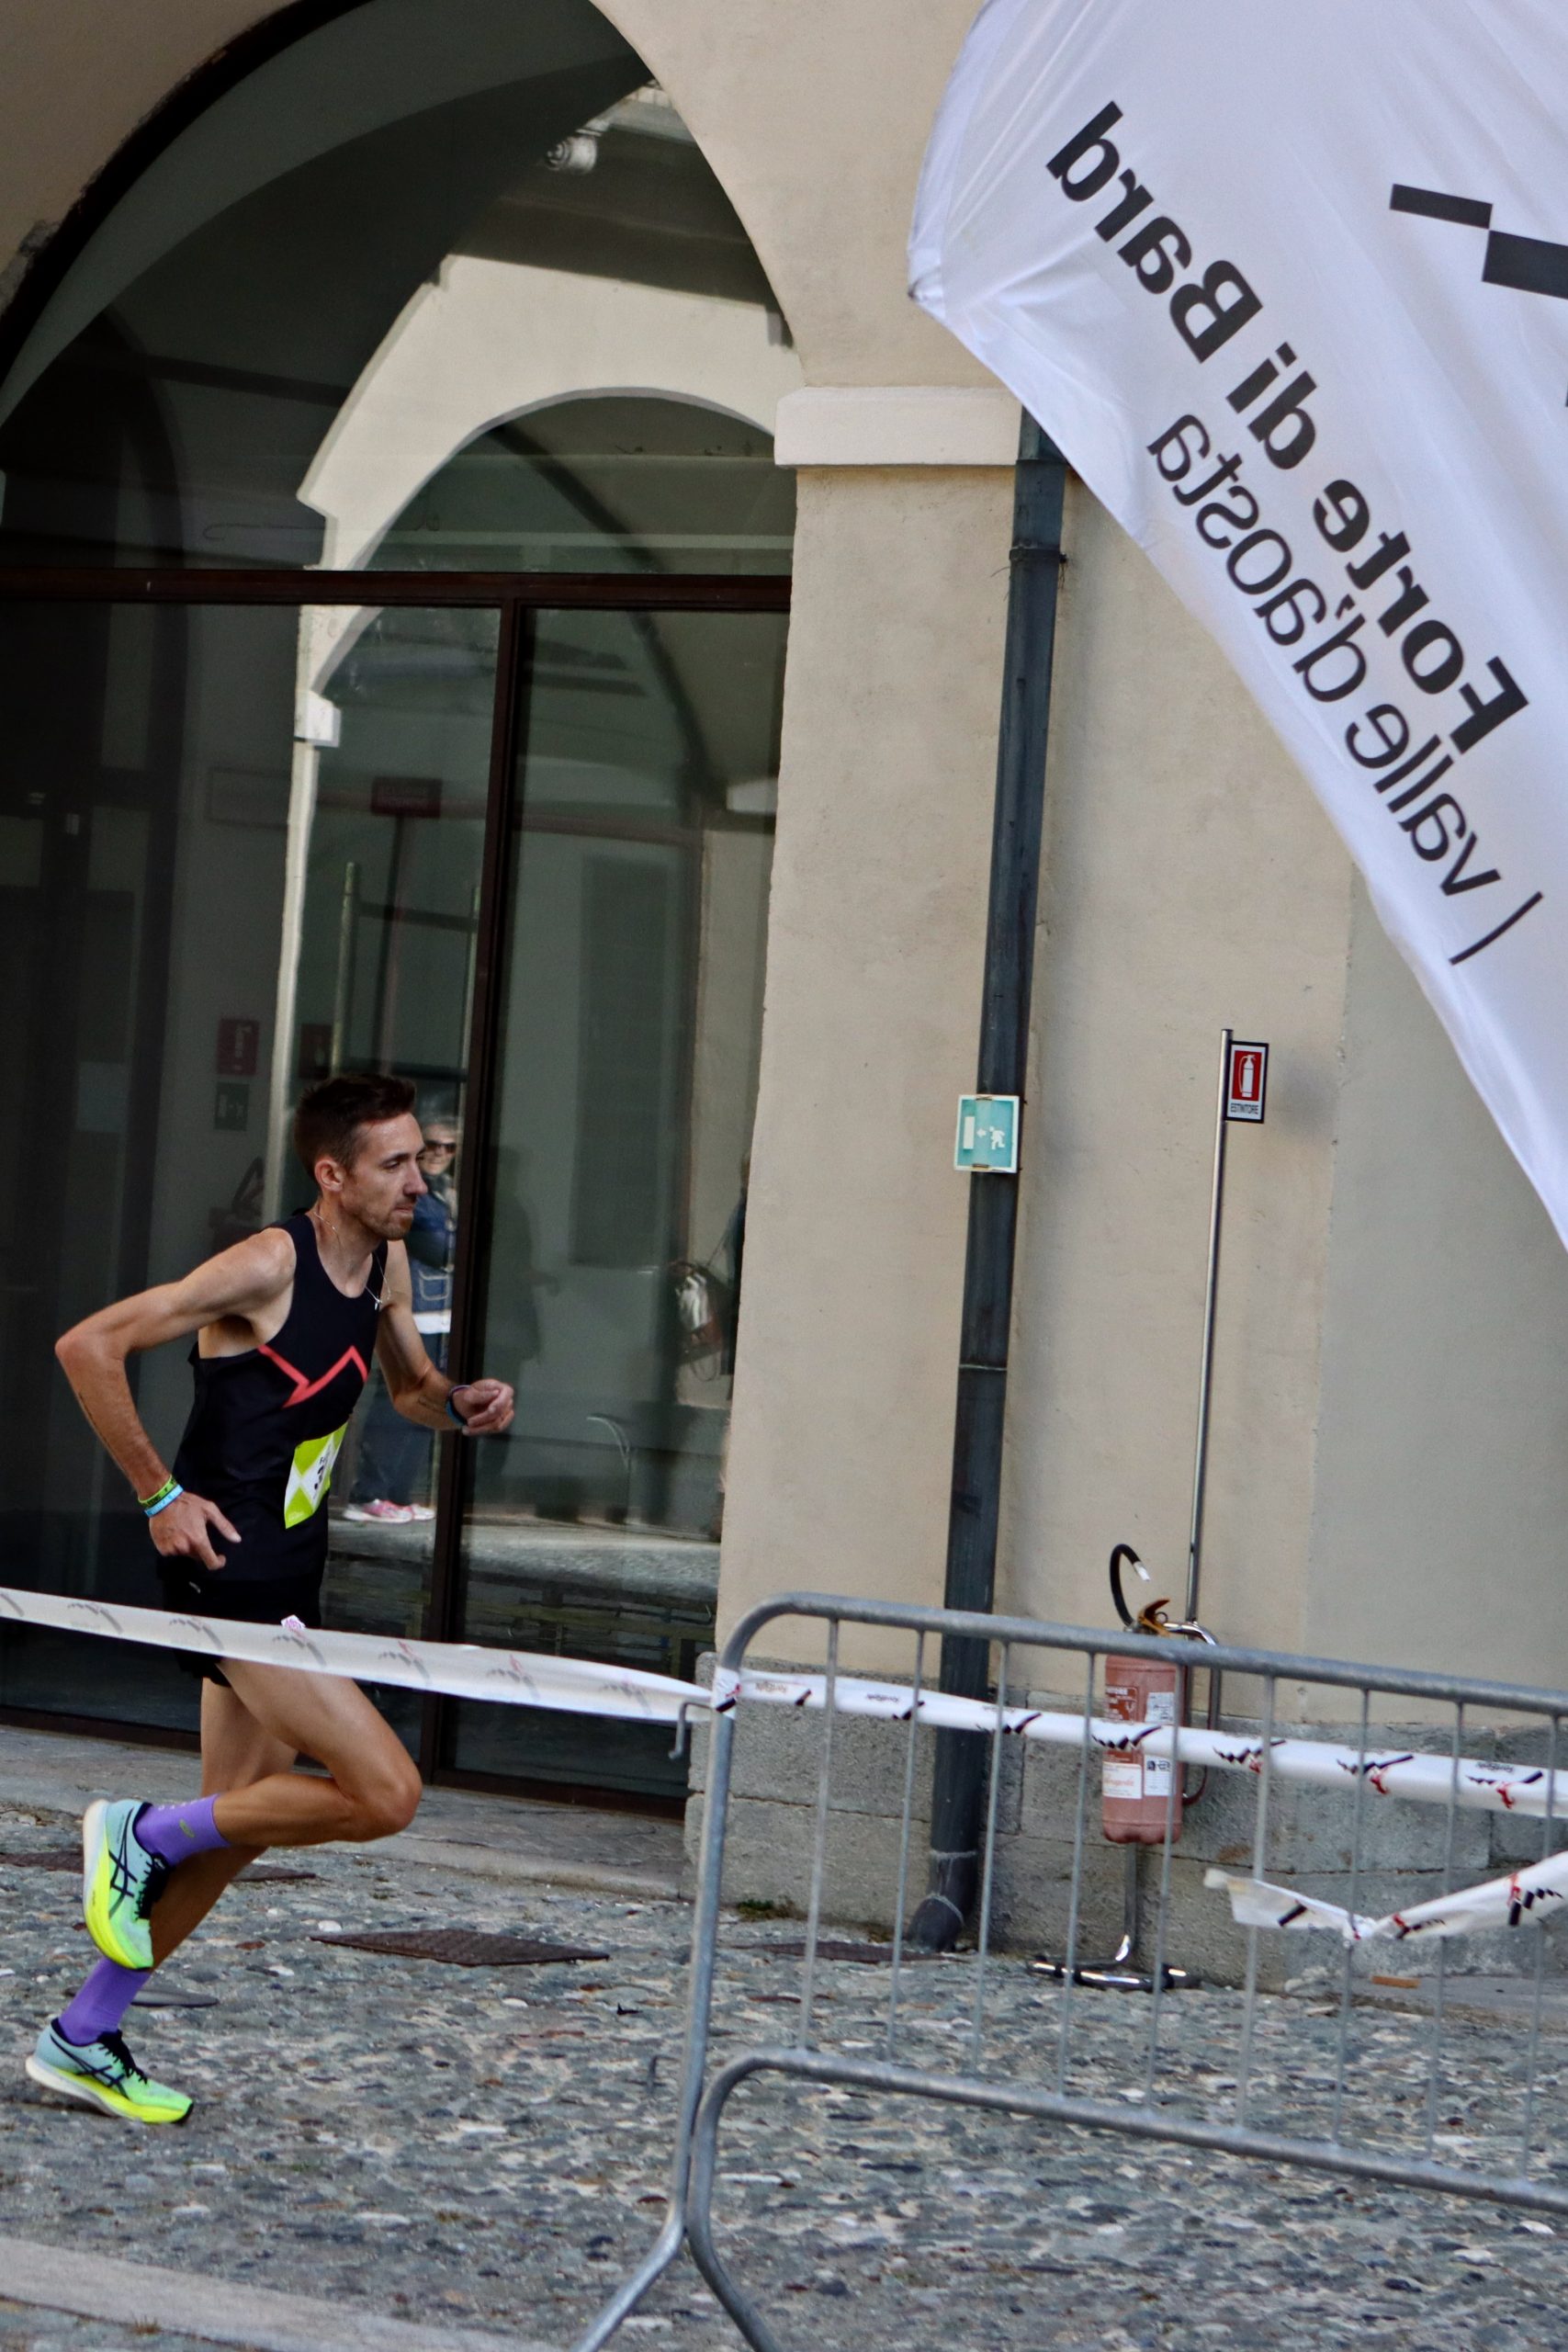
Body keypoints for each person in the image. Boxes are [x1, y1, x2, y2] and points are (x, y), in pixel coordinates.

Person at [28, 1072, 513, 2125]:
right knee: (385, 1793)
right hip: (228, 1574)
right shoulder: (265, 1265)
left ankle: (83, 2034)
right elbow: (87, 1345)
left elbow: (408, 1389)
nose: (419, 1185)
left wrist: (461, 1403)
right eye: (395, 1164)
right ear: (331, 1173)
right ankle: (138, 1832)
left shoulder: (382, 1262)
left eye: (420, 1162)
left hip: (290, 1575)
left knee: (239, 1825)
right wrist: (159, 1492)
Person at [343, 1118, 459, 1522]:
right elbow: (443, 1248)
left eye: (449, 1147)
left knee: (429, 1402)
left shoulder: (442, 1193)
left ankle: (397, 1493)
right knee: (397, 1402)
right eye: (432, 1145)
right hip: (414, 1309)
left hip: (441, 1311)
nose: (439, 1153)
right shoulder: (413, 1196)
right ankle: (369, 1492)